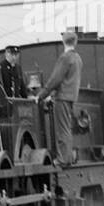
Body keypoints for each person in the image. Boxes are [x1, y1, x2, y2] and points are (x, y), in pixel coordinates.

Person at [35, 29, 83, 165]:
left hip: (62, 98)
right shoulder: (78, 58)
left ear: (63, 41)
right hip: (71, 97)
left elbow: (56, 79)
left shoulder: (65, 58)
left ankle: (62, 159)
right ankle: (67, 158)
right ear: (75, 42)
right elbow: (69, 80)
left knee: (62, 130)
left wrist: (41, 95)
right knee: (67, 129)